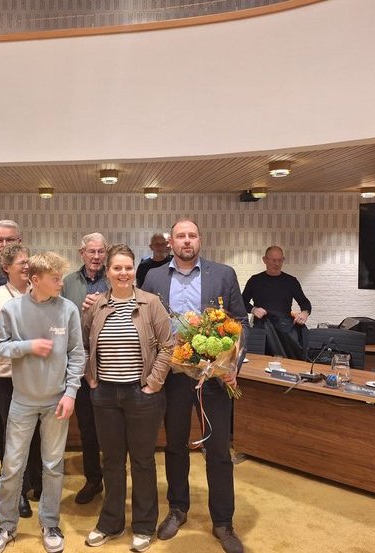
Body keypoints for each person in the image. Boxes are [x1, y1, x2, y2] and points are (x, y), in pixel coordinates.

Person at [142, 219, 246, 553]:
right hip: (173, 376)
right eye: (180, 236)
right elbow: (145, 321)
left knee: (218, 451)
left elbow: (241, 322)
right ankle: (177, 508)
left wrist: (232, 366)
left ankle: (223, 522)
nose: (187, 241)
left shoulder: (223, 273)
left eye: (192, 235)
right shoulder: (154, 277)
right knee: (174, 445)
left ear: (200, 240)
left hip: (214, 378)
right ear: (170, 242)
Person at [0, 252, 85, 553]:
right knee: (13, 466)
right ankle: (6, 526)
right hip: (22, 401)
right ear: (35, 279)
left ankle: (50, 522)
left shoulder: (68, 310)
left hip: (57, 402)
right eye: (55, 279)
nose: (60, 284)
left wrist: (70, 393)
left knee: (53, 466)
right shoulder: (12, 310)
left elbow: (77, 355)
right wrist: (28, 346)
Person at [82, 244, 173, 553]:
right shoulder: (96, 306)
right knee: (112, 462)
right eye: (117, 268)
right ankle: (110, 522)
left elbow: (168, 345)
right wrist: (91, 378)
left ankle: (145, 525)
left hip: (141, 395)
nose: (123, 273)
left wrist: (153, 383)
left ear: (135, 270)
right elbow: (81, 344)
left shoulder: (151, 304)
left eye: (128, 268)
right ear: (107, 272)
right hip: (105, 394)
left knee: (143, 460)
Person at [0, 243, 40, 519]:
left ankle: (37, 481)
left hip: (35, 377)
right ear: (6, 268)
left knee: (36, 431)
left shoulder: (39, 294)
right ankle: (18, 491)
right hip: (3, 377)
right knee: (11, 434)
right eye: (20, 263)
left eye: (28, 262)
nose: (26, 266)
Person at [61, 232, 109, 505]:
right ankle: (94, 480)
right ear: (82, 253)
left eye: (101, 252)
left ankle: (115, 478)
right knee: (88, 427)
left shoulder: (115, 280)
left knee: (113, 428)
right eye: (91, 252)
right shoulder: (68, 283)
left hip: (111, 365)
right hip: (79, 367)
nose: (96, 257)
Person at [242, 245, 311, 358]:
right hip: (261, 328)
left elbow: (305, 303)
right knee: (259, 361)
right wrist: (253, 309)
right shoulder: (255, 280)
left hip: (284, 329)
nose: (277, 263)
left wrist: (304, 313)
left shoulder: (291, 281)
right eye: (273, 260)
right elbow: (242, 302)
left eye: (280, 260)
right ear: (265, 260)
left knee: (286, 362)